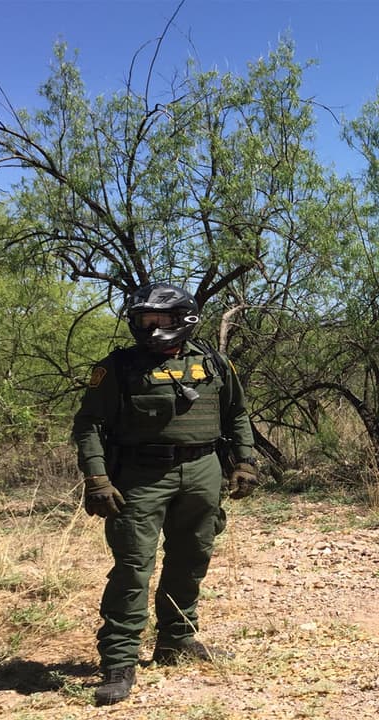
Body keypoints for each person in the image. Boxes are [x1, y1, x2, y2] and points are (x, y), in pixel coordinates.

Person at [72, 282, 260, 706]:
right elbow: (87, 426)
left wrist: (245, 463)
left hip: (203, 471)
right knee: (132, 568)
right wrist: (98, 479)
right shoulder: (118, 367)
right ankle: (119, 662)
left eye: (160, 321)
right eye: (144, 321)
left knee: (191, 557)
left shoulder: (212, 362)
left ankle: (177, 641)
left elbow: (238, 414)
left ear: (184, 321)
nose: (151, 329)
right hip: (140, 476)